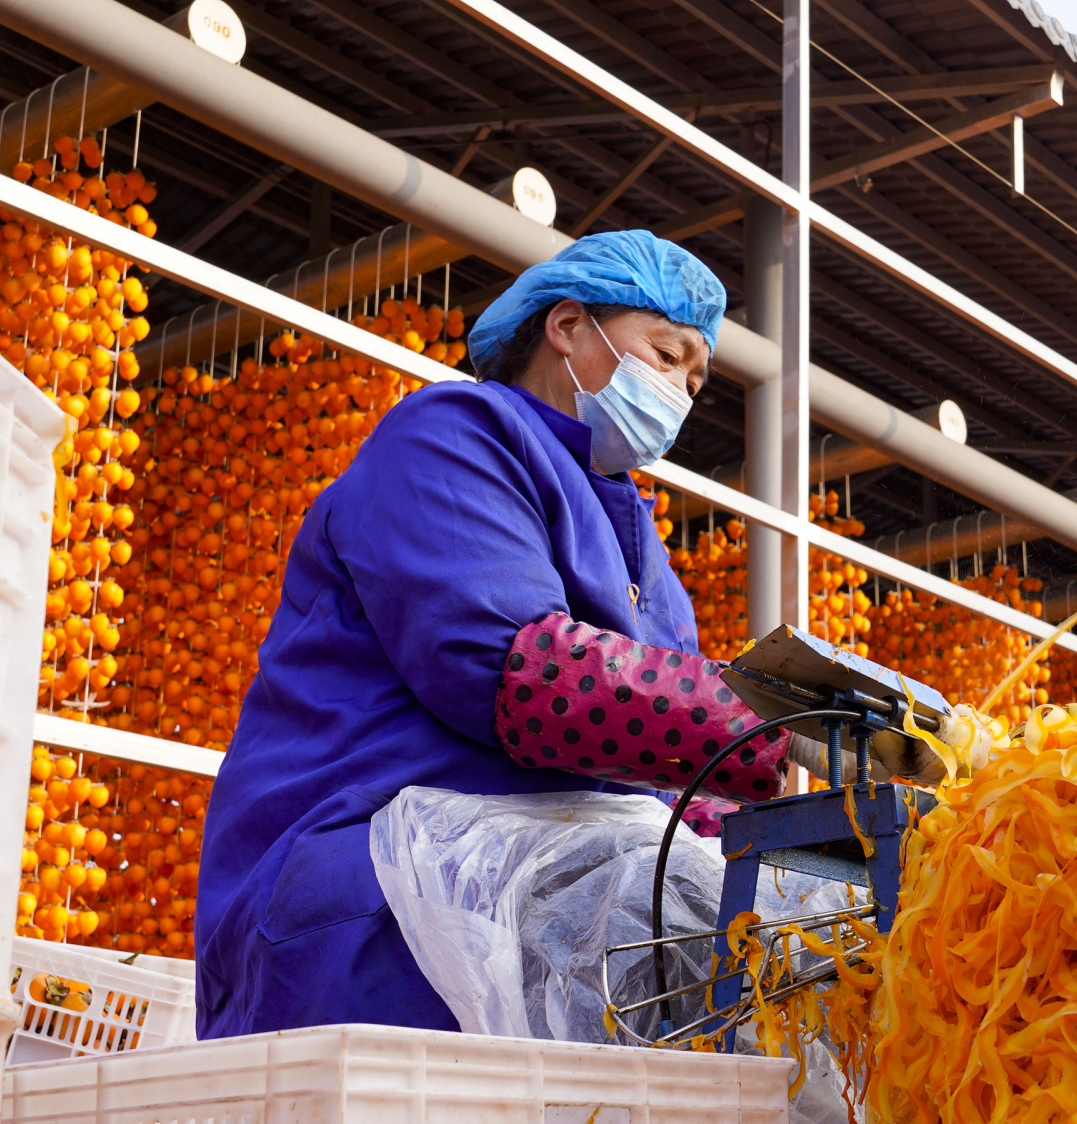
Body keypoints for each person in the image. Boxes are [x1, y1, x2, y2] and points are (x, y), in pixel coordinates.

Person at [194, 232, 939, 1039]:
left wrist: (853, 856)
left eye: (695, 380)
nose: (680, 394)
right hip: (376, 904)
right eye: (666, 353)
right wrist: (779, 719)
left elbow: (671, 806)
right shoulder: (451, 437)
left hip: (531, 917)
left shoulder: (643, 555)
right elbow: (526, 676)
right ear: (569, 326)